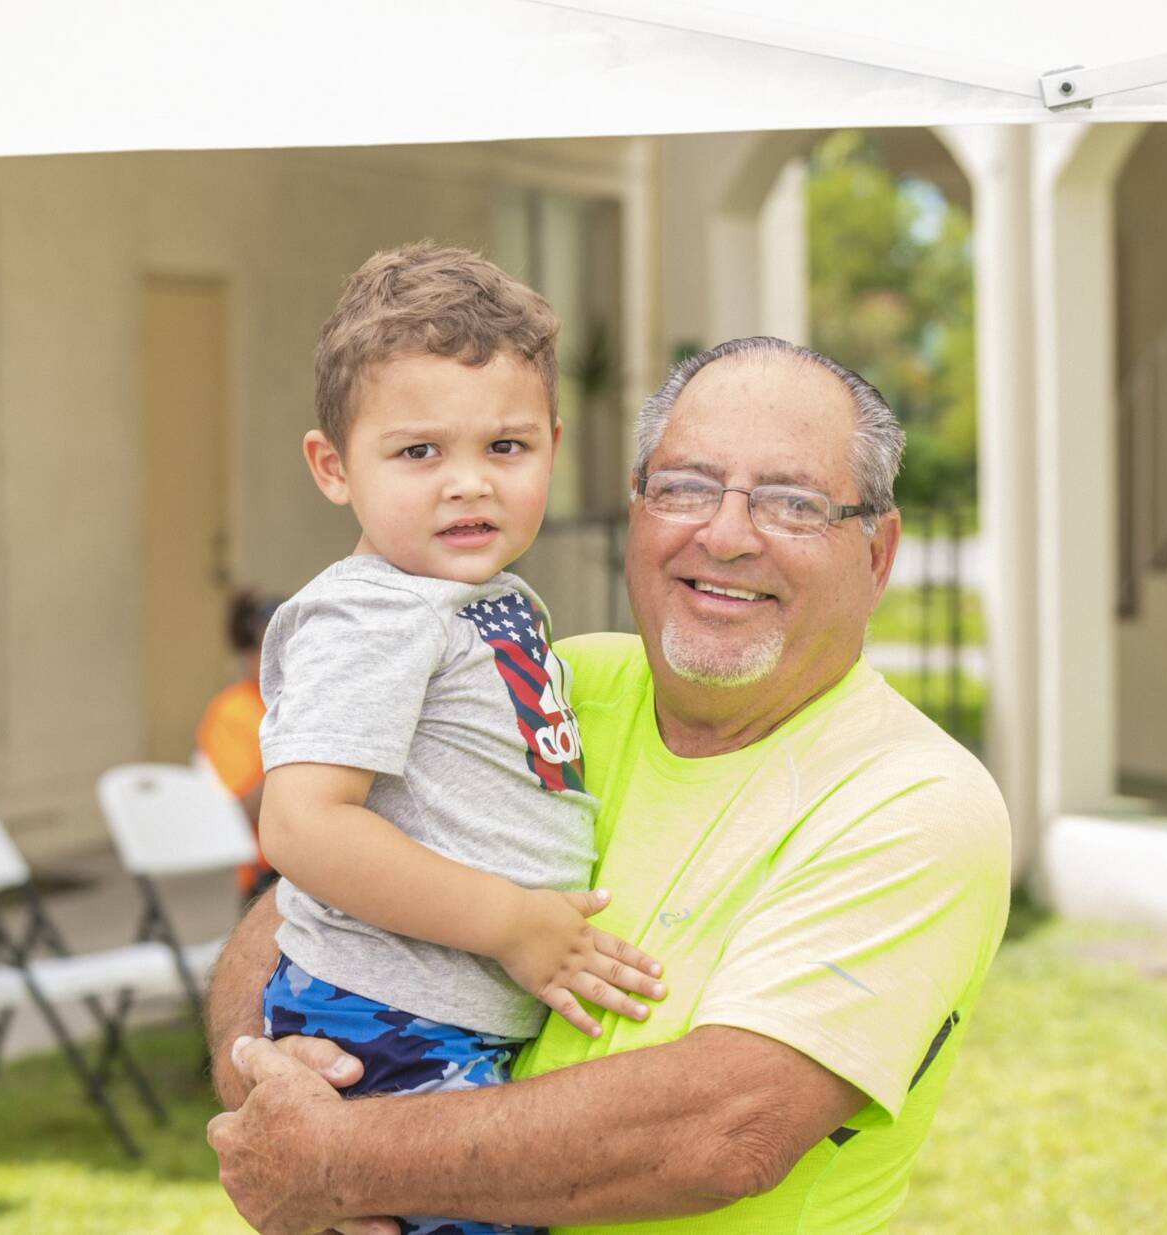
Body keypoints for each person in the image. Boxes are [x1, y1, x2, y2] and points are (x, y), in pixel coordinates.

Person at [205, 335, 1013, 1235]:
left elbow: (729, 1128)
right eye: (686, 487)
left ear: (877, 551)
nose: (727, 534)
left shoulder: (914, 800)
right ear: (637, 510)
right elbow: (304, 894)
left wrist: (339, 1160)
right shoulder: (546, 681)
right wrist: (270, 1084)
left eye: (793, 503)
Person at [249, 243, 666, 1235]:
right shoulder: (374, 614)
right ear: (331, 466)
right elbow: (301, 824)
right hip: (390, 1024)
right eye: (418, 452)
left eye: (506, 449)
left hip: (444, 1016)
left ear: (554, 446)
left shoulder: (480, 597)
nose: (468, 484)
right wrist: (515, 923)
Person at [197, 589, 282, 896]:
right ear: (249, 654)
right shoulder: (232, 710)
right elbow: (245, 809)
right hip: (271, 873)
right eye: (273, 646)